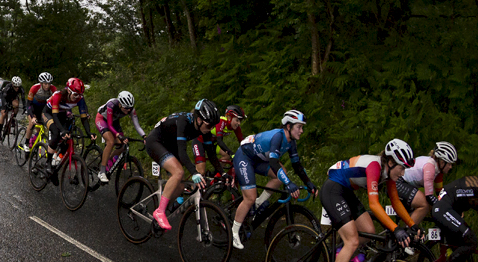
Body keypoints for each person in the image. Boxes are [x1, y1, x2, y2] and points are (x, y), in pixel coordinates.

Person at [317, 139, 416, 262]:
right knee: (353, 241)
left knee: (369, 230)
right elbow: (374, 204)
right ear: (391, 162)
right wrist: (395, 229)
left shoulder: (388, 173)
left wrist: (411, 224)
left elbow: (395, 202)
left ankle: (339, 256)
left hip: (346, 191)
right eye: (402, 168)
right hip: (333, 189)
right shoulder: (374, 167)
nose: (403, 173)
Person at [229, 110, 318, 249]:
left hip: (258, 159)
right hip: (245, 157)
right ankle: (234, 232)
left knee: (282, 174)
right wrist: (289, 183)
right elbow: (273, 163)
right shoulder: (278, 137)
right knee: (250, 197)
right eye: (299, 127)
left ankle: (258, 203)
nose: (301, 131)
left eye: (302, 127)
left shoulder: (291, 142)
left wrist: (309, 183)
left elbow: (297, 165)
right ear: (288, 126)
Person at [144, 99, 222, 230]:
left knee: (180, 186)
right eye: (209, 126)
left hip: (170, 145)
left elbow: (212, 155)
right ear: (199, 120)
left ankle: (164, 205)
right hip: (155, 142)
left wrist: (223, 173)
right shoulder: (183, 122)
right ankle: (159, 211)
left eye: (213, 126)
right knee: (178, 172)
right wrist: (194, 172)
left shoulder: (204, 129)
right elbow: (182, 152)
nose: (211, 129)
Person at [395, 141, 457, 224]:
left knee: (430, 207)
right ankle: (408, 233)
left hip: (405, 184)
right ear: (442, 162)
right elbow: (429, 196)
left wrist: (452, 206)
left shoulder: (438, 171)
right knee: (425, 204)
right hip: (399, 182)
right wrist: (445, 208)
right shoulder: (430, 166)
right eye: (449, 164)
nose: (450, 167)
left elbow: (440, 194)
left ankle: (412, 230)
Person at [94, 90, 146, 183]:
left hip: (115, 121)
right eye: (126, 108)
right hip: (102, 119)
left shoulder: (130, 109)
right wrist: (117, 135)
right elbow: (109, 125)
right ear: (120, 104)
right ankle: (102, 171)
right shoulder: (111, 105)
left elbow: (137, 126)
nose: (128, 111)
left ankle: (109, 159)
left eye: (130, 108)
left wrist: (144, 136)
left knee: (123, 144)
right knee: (110, 141)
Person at [41, 77, 92, 167]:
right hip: (48, 113)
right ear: (68, 91)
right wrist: (62, 130)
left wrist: (89, 132)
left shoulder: (80, 99)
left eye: (80, 95)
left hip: (61, 115)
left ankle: (57, 158)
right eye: (75, 94)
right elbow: (55, 116)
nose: (78, 97)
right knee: (56, 133)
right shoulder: (58, 95)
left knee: (68, 136)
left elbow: (83, 118)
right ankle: (48, 163)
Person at [23, 72, 56, 148]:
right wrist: (32, 116)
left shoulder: (53, 89)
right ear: (41, 83)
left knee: (40, 130)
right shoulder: (35, 88)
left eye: (49, 83)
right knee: (32, 123)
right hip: (33, 107)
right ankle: (26, 143)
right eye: (45, 84)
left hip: (44, 109)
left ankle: (33, 142)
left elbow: (56, 103)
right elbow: (29, 104)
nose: (47, 86)